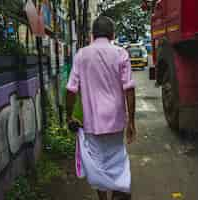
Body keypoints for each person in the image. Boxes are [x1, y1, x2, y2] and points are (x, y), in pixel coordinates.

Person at [66, 16, 136, 200]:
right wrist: (131, 122)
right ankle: (118, 192)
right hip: (115, 121)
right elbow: (129, 89)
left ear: (92, 34)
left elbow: (71, 90)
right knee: (117, 162)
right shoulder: (121, 54)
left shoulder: (81, 55)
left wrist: (69, 116)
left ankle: (103, 199)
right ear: (113, 34)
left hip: (91, 123)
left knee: (97, 165)